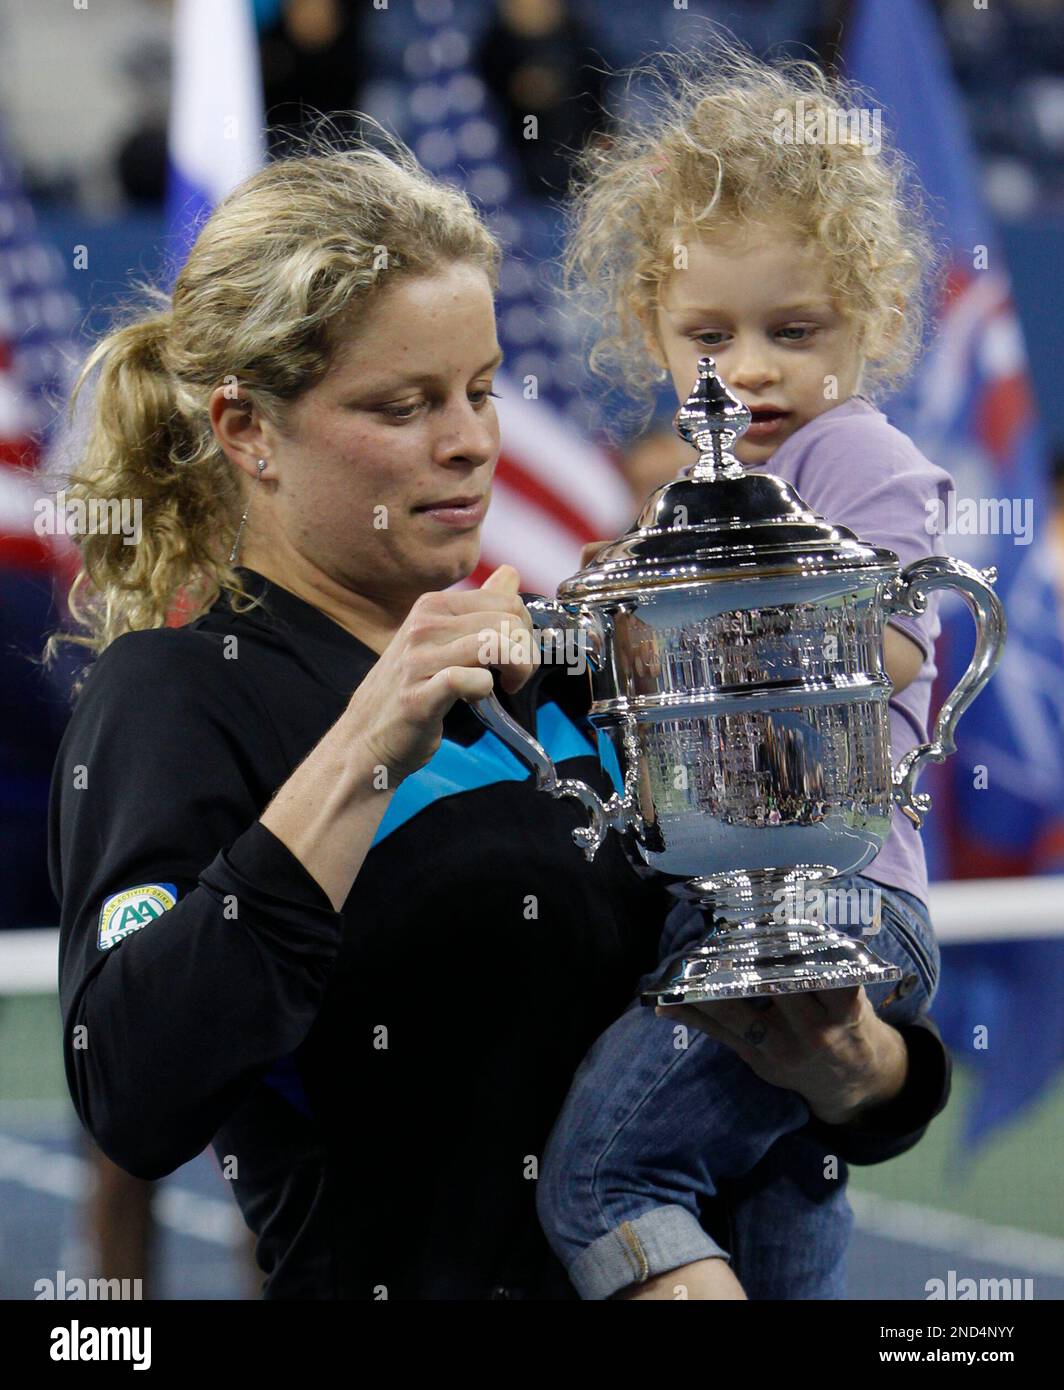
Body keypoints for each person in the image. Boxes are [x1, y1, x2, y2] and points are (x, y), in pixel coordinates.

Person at [44, 122, 951, 1301]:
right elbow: (131, 1084)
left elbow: (776, 1072)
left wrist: (861, 1071)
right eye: (402, 405)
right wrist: (370, 743)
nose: (470, 443)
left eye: (477, 391)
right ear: (245, 429)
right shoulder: (179, 693)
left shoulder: (576, 659)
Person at [534, 40, 956, 1300]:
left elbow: (879, 642)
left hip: (836, 904)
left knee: (602, 1182)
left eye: (792, 329)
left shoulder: (856, 458)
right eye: (706, 333)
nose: (748, 368)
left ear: (868, 325)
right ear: (647, 332)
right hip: (719, 898)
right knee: (774, 1220)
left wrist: (689, 620)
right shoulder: (693, 491)